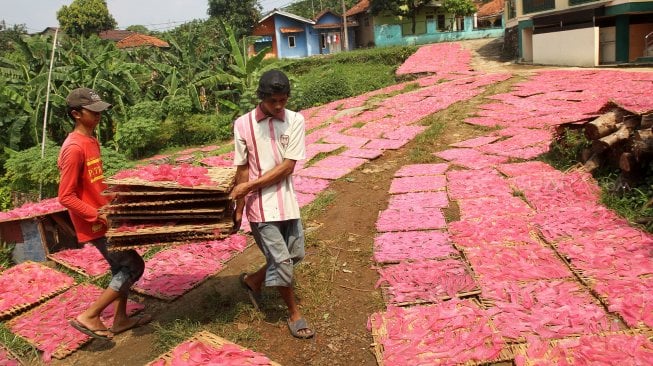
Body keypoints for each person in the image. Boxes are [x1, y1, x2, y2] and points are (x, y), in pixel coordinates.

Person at [58, 88, 151, 340]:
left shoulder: (91, 141)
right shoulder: (74, 148)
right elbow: (65, 196)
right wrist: (98, 214)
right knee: (133, 266)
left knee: (119, 269)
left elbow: (92, 182)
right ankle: (90, 315)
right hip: (97, 223)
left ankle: (119, 320)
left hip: (106, 216)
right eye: (93, 112)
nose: (99, 116)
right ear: (76, 114)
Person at [229, 70, 314, 339]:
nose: (278, 106)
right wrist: (240, 209)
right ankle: (294, 315)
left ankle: (253, 281)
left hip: (286, 201)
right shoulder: (242, 125)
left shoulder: (295, 120)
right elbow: (242, 168)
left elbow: (288, 167)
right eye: (273, 101)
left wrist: (248, 186)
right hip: (260, 208)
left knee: (296, 254)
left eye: (283, 100)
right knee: (281, 261)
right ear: (262, 97)